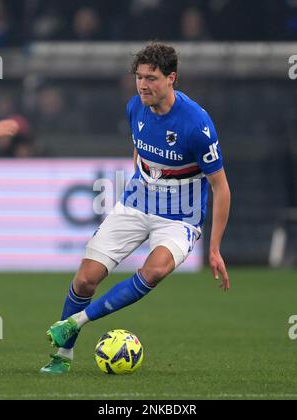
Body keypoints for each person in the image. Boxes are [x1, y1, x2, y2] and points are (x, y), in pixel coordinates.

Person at [40, 42, 231, 374]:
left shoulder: (197, 125)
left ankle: (75, 322)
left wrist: (214, 247)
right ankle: (62, 356)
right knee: (85, 280)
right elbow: (140, 153)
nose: (143, 85)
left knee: (154, 270)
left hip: (180, 218)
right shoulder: (135, 108)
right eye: (139, 77)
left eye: (152, 78)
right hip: (135, 205)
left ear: (172, 78)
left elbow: (221, 187)